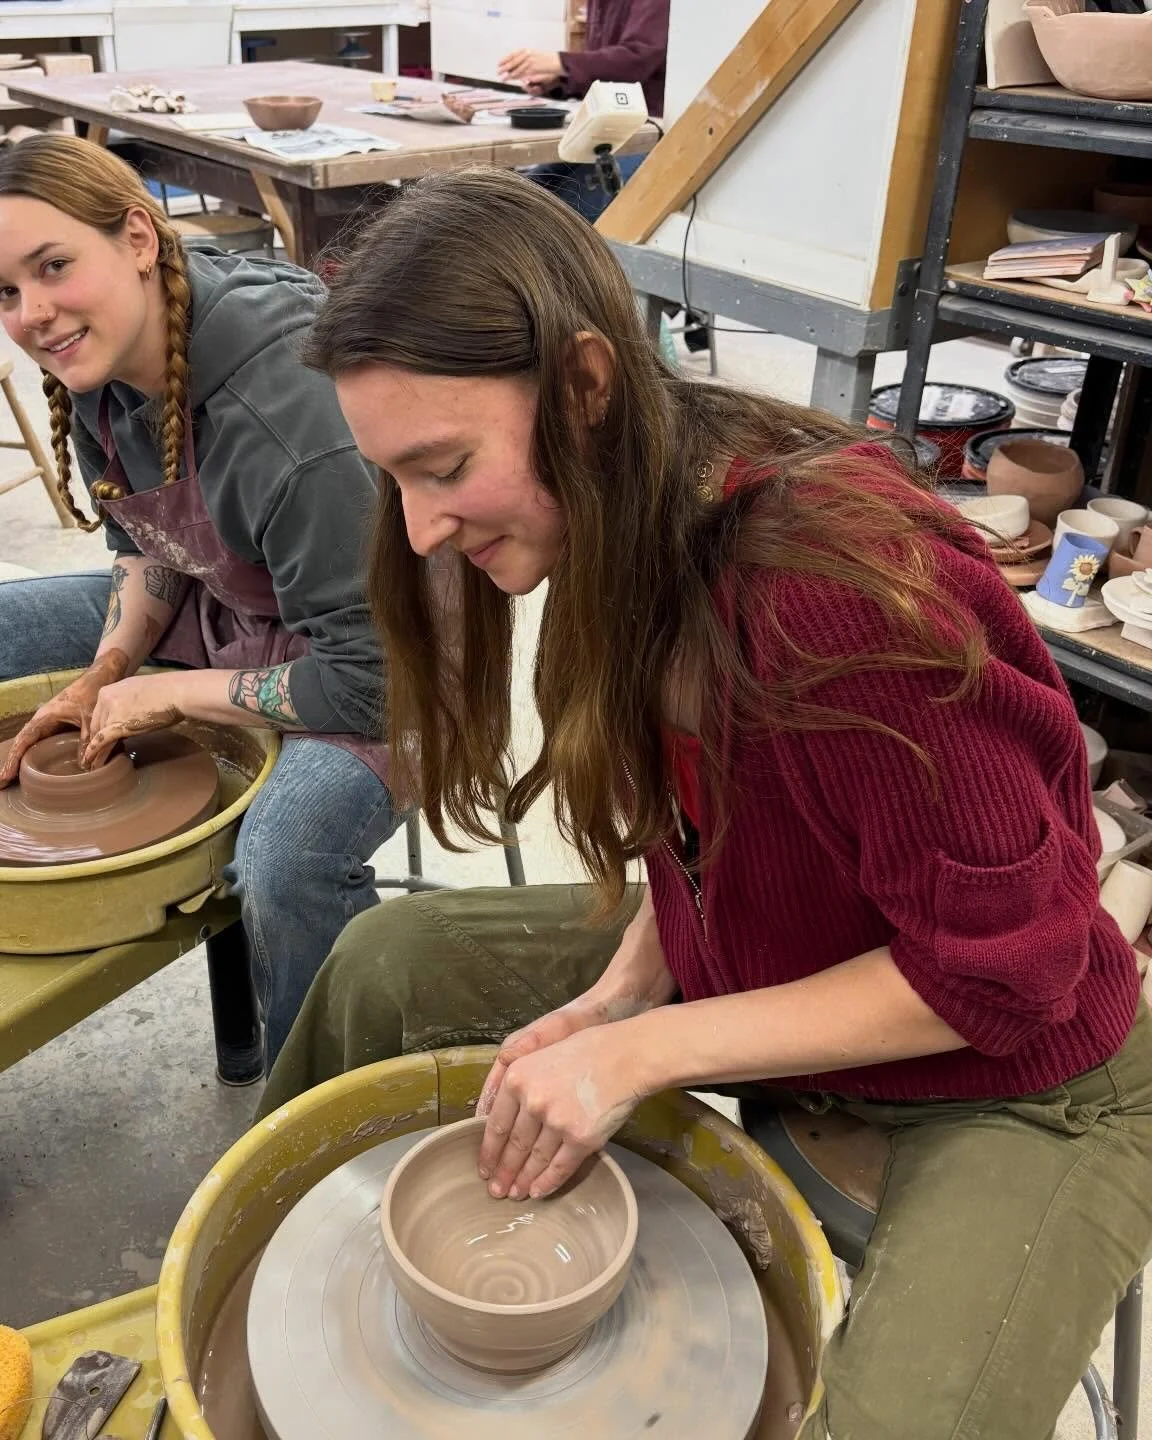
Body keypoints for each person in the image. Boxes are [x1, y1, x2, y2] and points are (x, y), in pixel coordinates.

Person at [255, 168, 1152, 1439]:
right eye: (393, 477)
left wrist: (638, 1053)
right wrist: (625, 992)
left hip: (1022, 1071)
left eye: (444, 466)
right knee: (380, 968)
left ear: (583, 385)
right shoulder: (630, 507)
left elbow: (1017, 972)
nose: (417, 531)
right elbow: (700, 834)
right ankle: (279, 1282)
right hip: (777, 941)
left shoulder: (838, 589)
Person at [0, 135, 399, 1069]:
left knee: (284, 857)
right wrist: (108, 671)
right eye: (5, 291)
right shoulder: (103, 360)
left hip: (392, 657)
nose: (35, 315)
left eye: (55, 268)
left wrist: (171, 694)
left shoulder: (285, 417)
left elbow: (373, 680)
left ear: (138, 237)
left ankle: (327, 1112)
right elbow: (148, 547)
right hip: (235, 608)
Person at [499, 0, 669, 223]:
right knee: (519, 198)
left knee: (563, 217)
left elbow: (638, 58)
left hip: (646, 130)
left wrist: (561, 62)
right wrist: (560, 81)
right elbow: (606, 73)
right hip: (604, 127)